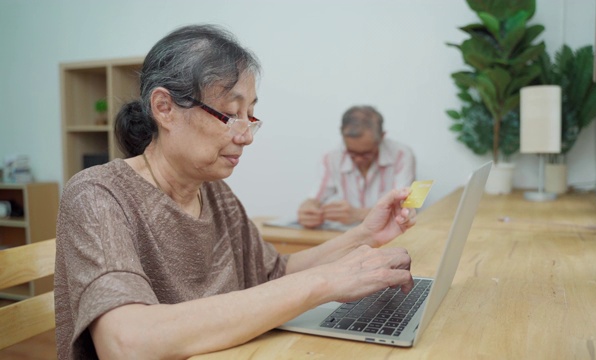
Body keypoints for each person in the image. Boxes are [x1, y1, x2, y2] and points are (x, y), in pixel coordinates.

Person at [54, 24, 417, 359]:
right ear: (164, 108)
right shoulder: (98, 195)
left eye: (251, 115)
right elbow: (127, 342)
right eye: (230, 114)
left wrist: (363, 235)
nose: (245, 136)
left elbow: (276, 273)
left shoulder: (214, 192)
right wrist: (324, 282)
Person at [297, 106, 416, 228]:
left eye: (366, 153)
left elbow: (406, 208)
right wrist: (308, 210)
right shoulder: (332, 157)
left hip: (390, 234)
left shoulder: (401, 155)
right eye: (352, 153)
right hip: (345, 236)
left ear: (382, 136)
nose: (358, 159)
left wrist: (359, 214)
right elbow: (315, 198)